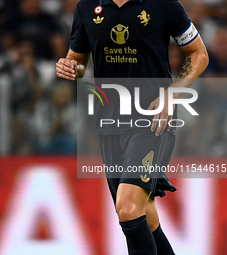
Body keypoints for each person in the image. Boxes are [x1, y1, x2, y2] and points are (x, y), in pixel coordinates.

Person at [56, 0, 208, 254]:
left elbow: (199, 53)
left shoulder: (164, 5)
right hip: (110, 123)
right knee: (145, 220)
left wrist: (172, 94)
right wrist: (70, 66)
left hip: (153, 120)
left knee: (127, 209)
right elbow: (78, 60)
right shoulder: (86, 8)